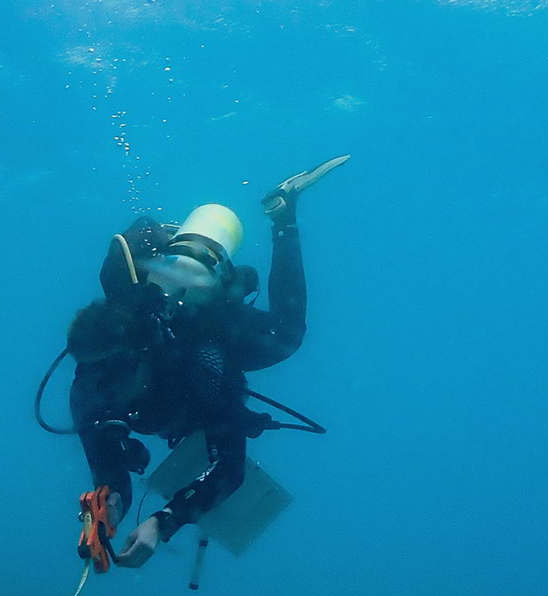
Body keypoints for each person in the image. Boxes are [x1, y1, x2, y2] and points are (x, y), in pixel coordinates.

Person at [64, 157, 344, 568]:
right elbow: (107, 470)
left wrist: (164, 522)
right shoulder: (88, 392)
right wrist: (107, 510)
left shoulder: (203, 366)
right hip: (173, 357)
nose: (110, 398)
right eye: (100, 383)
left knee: (285, 339)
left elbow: (230, 469)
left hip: (206, 328)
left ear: (141, 359)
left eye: (117, 383)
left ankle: (284, 213)